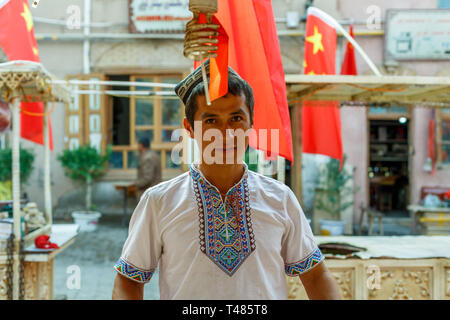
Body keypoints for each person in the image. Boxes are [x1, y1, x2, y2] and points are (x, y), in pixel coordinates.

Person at [112, 61, 341, 300]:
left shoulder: (280, 199)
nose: (225, 132)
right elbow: (129, 280)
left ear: (251, 123)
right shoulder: (159, 202)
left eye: (236, 118)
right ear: (189, 128)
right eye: (211, 120)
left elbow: (315, 276)